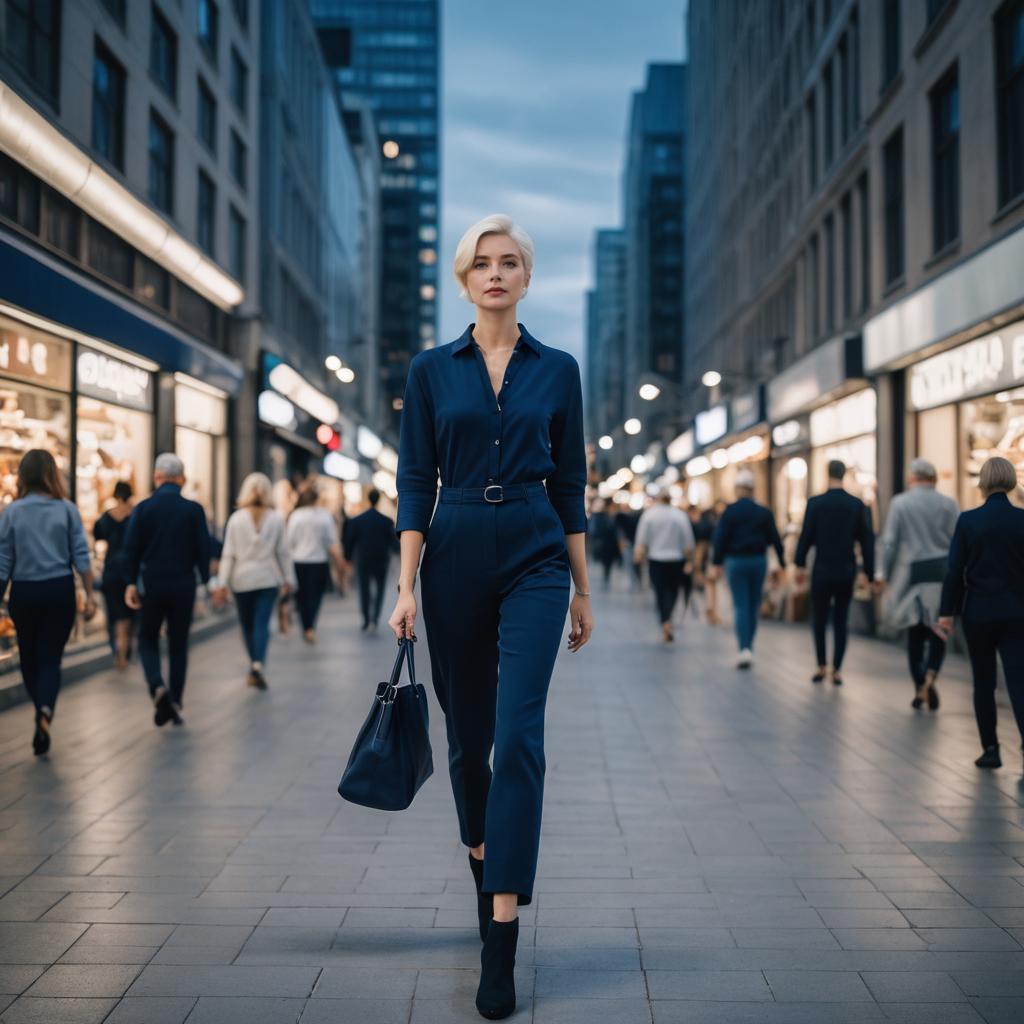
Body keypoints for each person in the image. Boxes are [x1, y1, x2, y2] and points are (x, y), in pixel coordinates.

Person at [388, 214, 592, 1020]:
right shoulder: (432, 371)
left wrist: (581, 586)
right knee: (469, 740)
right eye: (483, 263)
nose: (497, 273)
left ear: (527, 278)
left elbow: (572, 482)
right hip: (456, 548)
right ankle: (483, 857)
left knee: (521, 734)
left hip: (538, 553)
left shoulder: (560, 369)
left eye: (510, 262)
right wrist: (406, 586)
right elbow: (412, 480)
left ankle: (500, 934)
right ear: (465, 280)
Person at [0, 450, 96, 755]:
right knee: (51, 659)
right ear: (51, 475)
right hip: (59, 591)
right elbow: (81, 554)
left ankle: (39, 706)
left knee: (28, 656)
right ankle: (45, 710)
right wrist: (91, 595)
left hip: (24, 593)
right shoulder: (66, 509)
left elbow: (3, 560)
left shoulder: (12, 512)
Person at [938, 456, 1024, 772]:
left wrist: (947, 611)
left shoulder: (968, 520)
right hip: (1018, 612)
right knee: (1019, 678)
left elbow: (954, 570)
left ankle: (990, 749)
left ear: (983, 482)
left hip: (979, 612)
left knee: (984, 681)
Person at [124, 453, 212, 727]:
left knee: (148, 639)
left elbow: (131, 550)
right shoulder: (194, 510)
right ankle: (174, 701)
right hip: (183, 584)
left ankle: (156, 686)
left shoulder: (143, 508)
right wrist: (205, 581)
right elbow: (203, 549)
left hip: (152, 584)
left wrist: (130, 582)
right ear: (181, 479)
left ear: (157, 477)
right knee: (178, 644)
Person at [875, 458, 959, 709]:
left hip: (911, 572)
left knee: (914, 633)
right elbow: (959, 540)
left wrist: (881, 573)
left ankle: (919, 681)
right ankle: (931, 674)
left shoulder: (901, 503)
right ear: (934, 479)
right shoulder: (949, 504)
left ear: (912, 478)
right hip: (941, 571)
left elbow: (889, 542)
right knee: (938, 629)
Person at [794, 459, 875, 686]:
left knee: (819, 619)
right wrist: (868, 572)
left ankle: (821, 665)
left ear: (827, 473)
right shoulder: (856, 505)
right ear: (844, 474)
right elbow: (866, 540)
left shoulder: (815, 503)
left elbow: (806, 537)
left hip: (821, 569)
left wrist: (799, 564)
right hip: (845, 570)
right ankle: (837, 669)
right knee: (841, 619)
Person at [212, 473, 296, 690]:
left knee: (247, 624)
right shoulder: (275, 519)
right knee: (262, 624)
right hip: (267, 579)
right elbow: (283, 553)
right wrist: (288, 579)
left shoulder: (236, 519)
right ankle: (257, 664)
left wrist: (222, 582)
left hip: (241, 580)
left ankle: (254, 662)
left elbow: (228, 553)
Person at [710, 469, 784, 669]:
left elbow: (720, 539)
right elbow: (775, 540)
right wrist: (782, 565)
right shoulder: (763, 512)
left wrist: (716, 563)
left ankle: (744, 648)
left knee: (741, 605)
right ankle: (749, 645)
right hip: (758, 561)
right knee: (753, 604)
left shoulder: (729, 511)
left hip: (736, 562)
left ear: (738, 488)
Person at [634, 492, 695, 642]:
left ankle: (664, 620)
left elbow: (642, 539)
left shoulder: (649, 515)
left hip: (656, 559)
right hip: (676, 560)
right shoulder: (680, 515)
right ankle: (668, 618)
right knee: (673, 590)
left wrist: (639, 555)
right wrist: (690, 560)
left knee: (659, 591)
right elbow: (688, 541)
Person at [287, 483, 344, 642]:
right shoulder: (324, 516)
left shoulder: (295, 516)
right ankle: (311, 627)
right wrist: (339, 559)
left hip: (298, 561)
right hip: (319, 561)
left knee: (302, 596)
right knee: (315, 596)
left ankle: (306, 626)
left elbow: (289, 541)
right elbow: (332, 541)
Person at [343, 488, 399, 633]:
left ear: (368, 499)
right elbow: (393, 544)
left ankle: (366, 619)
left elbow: (349, 541)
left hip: (363, 559)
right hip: (381, 560)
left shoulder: (357, 521)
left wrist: (347, 558)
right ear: (378, 500)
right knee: (380, 589)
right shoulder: (386, 521)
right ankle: (375, 618)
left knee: (364, 589)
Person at [94, 481, 136, 670]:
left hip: (111, 569)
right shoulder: (135, 515)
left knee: (113, 614)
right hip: (129, 570)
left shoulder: (106, 517)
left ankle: (117, 651)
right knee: (129, 615)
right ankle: (125, 652)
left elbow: (97, 535)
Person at [588, 498, 621, 589]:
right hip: (604, 543)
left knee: (608, 561)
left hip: (611, 544)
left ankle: (607, 573)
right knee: (606, 561)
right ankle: (606, 574)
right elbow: (594, 530)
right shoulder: (599, 516)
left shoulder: (615, 517)